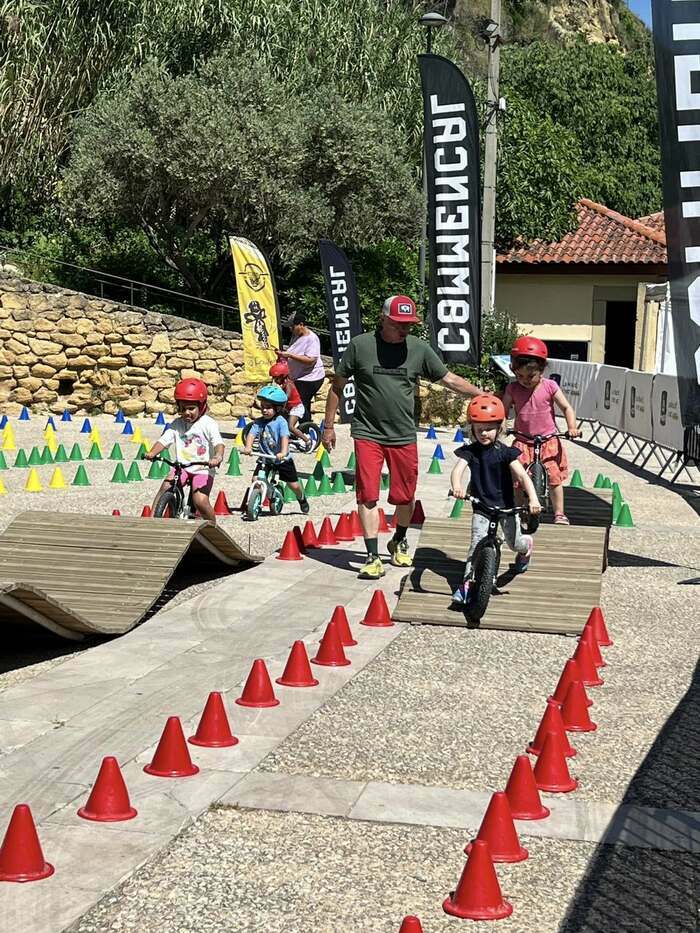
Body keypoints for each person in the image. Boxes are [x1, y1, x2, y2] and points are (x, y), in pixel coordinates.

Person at [323, 294, 483, 580]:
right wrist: (328, 426)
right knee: (368, 495)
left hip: (403, 434)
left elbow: (449, 379)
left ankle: (399, 539)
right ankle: (372, 556)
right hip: (367, 432)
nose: (404, 330)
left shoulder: (419, 349)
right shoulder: (361, 346)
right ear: (383, 319)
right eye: (399, 324)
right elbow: (337, 386)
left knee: (405, 496)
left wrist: (481, 395)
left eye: (409, 325)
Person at [450, 394, 542, 605]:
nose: (484, 433)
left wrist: (533, 499)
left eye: (489, 428)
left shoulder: (505, 453)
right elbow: (458, 471)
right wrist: (457, 487)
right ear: (471, 428)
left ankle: (527, 546)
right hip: (481, 506)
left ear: (500, 428)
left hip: (507, 507)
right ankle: (466, 585)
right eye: (479, 428)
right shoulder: (470, 452)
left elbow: (522, 476)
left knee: (514, 542)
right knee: (475, 544)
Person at [502, 336, 580, 525]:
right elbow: (503, 410)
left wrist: (572, 427)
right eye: (519, 376)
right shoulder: (512, 389)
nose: (525, 381)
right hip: (522, 440)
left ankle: (559, 513)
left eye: (530, 376)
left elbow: (567, 408)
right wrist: (502, 425)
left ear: (542, 370)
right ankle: (519, 512)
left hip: (548, 441)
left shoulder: (550, 386)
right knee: (517, 480)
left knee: (554, 478)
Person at [144, 378, 224, 523]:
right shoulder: (176, 424)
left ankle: (213, 525)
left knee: (200, 500)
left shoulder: (208, 424)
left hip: (203, 468)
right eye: (182, 408)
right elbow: (164, 440)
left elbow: (218, 443)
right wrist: (152, 452)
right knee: (166, 486)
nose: (186, 413)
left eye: (191, 408)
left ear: (202, 406)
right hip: (182, 467)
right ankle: (152, 519)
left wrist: (217, 456)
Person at [242, 384, 309, 515]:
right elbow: (251, 434)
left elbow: (284, 437)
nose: (264, 410)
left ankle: (301, 498)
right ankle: (261, 498)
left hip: (282, 459)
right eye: (262, 407)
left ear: (277, 408)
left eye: (268, 407)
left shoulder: (281, 422)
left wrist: (283, 452)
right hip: (265, 458)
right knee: (256, 479)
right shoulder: (259, 422)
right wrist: (248, 447)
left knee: (293, 485)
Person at [277, 311, 325, 422]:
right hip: (298, 377)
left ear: (301, 325)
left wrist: (289, 355)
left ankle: (306, 431)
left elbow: (311, 360)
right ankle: (301, 429)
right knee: (298, 403)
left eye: (292, 327)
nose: (290, 329)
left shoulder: (312, 339)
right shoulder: (295, 336)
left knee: (301, 402)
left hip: (310, 378)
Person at [269, 360, 310, 450]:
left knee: (290, 426)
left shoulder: (289, 384)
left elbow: (286, 396)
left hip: (296, 407)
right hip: (288, 408)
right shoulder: (281, 384)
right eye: (274, 378)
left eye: (276, 378)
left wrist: (280, 401)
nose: (275, 380)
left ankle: (307, 441)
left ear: (283, 376)